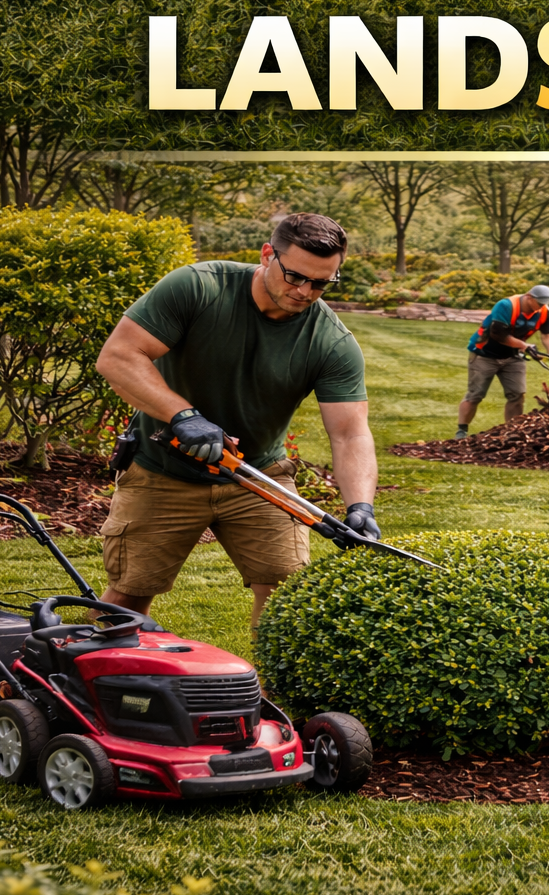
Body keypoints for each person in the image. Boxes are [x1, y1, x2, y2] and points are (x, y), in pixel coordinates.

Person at [93, 212, 378, 628]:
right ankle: (99, 688)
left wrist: (360, 506)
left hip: (258, 475)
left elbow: (351, 433)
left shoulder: (331, 342)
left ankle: (265, 692)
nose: (304, 291)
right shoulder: (199, 287)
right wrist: (183, 416)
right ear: (267, 255)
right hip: (163, 469)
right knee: (131, 591)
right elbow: (118, 357)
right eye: (295, 276)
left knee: (287, 593)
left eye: (321, 283)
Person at [456, 284, 549, 438]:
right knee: (476, 394)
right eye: (540, 303)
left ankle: (513, 433)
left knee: (517, 394)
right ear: (529, 297)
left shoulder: (543, 312)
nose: (542, 307)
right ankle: (462, 431)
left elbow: (547, 335)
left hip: (513, 356)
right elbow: (499, 335)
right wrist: (524, 346)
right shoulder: (506, 306)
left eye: (545, 304)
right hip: (484, 353)